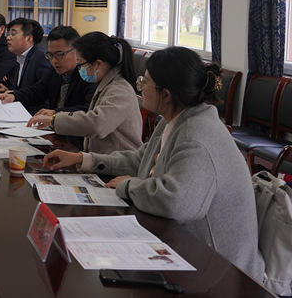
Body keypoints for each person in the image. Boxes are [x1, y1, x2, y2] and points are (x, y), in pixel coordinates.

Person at [41, 47, 265, 282]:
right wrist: (84, 159)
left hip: (220, 272)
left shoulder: (197, 136)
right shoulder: (175, 119)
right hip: (189, 250)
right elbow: (140, 159)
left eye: (144, 82)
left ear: (165, 94)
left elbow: (176, 202)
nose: (139, 87)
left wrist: (128, 185)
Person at [28, 32, 141, 154]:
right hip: (99, 158)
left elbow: (96, 125)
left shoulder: (119, 90)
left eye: (81, 65)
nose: (79, 70)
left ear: (98, 64)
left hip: (117, 161)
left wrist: (53, 120)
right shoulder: (105, 84)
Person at [0, 26, 95, 149]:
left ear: (77, 51)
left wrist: (56, 113)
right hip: (56, 137)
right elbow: (38, 90)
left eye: (59, 54)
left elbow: (89, 109)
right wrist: (14, 96)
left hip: (78, 143)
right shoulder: (55, 71)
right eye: (50, 55)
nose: (54, 61)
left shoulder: (88, 75)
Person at [0, 18, 51, 96]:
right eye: (8, 34)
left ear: (28, 39)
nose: (8, 38)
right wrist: (9, 90)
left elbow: (44, 94)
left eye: (13, 34)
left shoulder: (41, 58)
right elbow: (26, 89)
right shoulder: (22, 57)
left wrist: (15, 95)